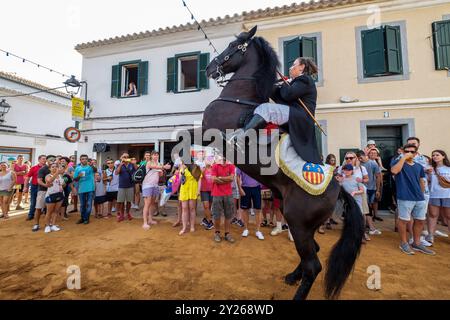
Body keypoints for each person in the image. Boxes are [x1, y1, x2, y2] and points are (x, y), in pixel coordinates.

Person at [228, 57, 321, 164]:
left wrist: (286, 83)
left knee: (266, 109)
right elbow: (278, 95)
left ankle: (241, 138)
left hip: (300, 116)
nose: (291, 68)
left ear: (301, 67)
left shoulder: (304, 80)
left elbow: (287, 95)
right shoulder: (295, 82)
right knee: (260, 109)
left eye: (294, 65)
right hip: (292, 114)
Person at [391, 144, 435, 255]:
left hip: (419, 198)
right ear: (403, 152)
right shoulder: (398, 162)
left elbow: (421, 180)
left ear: (416, 153)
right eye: (407, 151)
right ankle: (404, 243)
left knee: (420, 220)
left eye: (412, 151)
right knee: (404, 221)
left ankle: (417, 243)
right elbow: (394, 171)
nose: (409, 153)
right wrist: (403, 158)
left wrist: (422, 193)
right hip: (405, 197)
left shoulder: (419, 166)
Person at [357, 150, 383, 236]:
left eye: (361, 158)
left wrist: (378, 189)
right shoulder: (358, 164)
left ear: (364, 155)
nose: (360, 159)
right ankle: (370, 228)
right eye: (359, 158)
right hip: (362, 189)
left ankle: (368, 226)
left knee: (369, 207)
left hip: (371, 188)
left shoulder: (373, 163)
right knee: (367, 208)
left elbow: (378, 176)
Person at [426, 150, 450, 244]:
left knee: (448, 216)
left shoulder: (448, 168)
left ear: (443, 156)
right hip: (434, 194)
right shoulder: (429, 168)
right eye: (433, 155)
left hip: (448, 194)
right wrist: (427, 172)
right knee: (432, 215)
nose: (435, 156)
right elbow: (426, 180)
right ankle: (430, 235)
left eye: (437, 155)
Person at [211, 155, 236, 243]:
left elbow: (231, 178)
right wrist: (226, 179)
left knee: (228, 215)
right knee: (216, 215)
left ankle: (227, 233)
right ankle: (217, 233)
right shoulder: (215, 166)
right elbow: (213, 179)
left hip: (228, 194)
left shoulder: (231, 166)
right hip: (217, 193)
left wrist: (220, 178)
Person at [142, 151, 169, 230]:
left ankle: (150, 219)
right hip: (147, 185)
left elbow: (160, 174)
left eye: (157, 155)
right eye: (154, 155)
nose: (156, 156)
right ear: (151, 156)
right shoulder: (149, 162)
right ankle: (145, 222)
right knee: (147, 203)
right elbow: (155, 167)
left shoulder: (159, 164)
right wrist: (163, 167)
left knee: (152, 203)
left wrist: (161, 171)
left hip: (155, 185)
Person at [237, 168, 264, 240]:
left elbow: (261, 173)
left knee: (258, 209)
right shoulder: (241, 161)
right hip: (245, 188)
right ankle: (246, 229)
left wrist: (261, 187)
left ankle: (258, 231)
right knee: (245, 209)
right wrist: (240, 188)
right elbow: (238, 176)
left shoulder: (256, 159)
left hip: (257, 188)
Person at [178, 162, 202, 235]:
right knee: (184, 208)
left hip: (193, 190)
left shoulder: (196, 167)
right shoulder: (182, 167)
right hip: (184, 190)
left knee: (192, 208)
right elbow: (180, 180)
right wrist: (182, 170)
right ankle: (184, 227)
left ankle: (192, 226)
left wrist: (198, 190)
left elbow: (199, 179)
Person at [73, 154, 95, 225]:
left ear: (87, 160)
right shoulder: (77, 168)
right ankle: (82, 218)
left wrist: (92, 165)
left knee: (89, 204)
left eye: (86, 159)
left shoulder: (90, 167)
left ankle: (86, 219)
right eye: (83, 159)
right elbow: (75, 179)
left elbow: (95, 170)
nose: (84, 160)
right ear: (80, 160)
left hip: (90, 188)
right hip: (81, 189)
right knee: (82, 205)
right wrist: (79, 176)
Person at [43, 163, 65, 233]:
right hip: (50, 195)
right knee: (49, 212)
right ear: (50, 168)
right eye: (52, 167)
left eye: (56, 167)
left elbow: (63, 184)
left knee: (56, 211)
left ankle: (53, 225)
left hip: (60, 194)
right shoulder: (48, 175)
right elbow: (49, 180)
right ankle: (47, 226)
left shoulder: (60, 176)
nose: (54, 168)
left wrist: (61, 186)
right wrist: (57, 173)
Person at [115, 153, 137, 222]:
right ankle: (121, 214)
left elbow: (136, 171)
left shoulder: (131, 164)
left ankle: (127, 213)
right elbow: (116, 173)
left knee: (128, 201)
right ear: (121, 157)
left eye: (127, 157)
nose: (126, 158)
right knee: (121, 201)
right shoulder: (120, 164)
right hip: (122, 186)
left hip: (130, 185)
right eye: (124, 157)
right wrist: (121, 165)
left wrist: (134, 163)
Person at [24, 155, 46, 222]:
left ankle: (44, 213)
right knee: (33, 201)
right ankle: (31, 215)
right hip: (35, 186)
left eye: (45, 159)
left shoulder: (48, 168)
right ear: (39, 160)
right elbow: (27, 178)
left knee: (45, 201)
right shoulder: (34, 168)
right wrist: (25, 187)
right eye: (43, 159)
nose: (44, 160)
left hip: (44, 187)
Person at [200, 158, 214, 230]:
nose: (208, 161)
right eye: (207, 160)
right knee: (206, 206)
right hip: (204, 190)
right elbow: (198, 178)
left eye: (210, 160)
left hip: (212, 190)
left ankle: (205, 219)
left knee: (209, 207)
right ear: (204, 161)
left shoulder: (214, 169)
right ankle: (210, 222)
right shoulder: (202, 169)